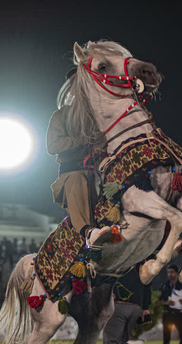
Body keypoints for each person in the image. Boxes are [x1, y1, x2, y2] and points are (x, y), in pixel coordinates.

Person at [46, 70, 112, 249]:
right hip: (72, 175)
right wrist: (83, 141)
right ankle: (88, 232)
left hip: (98, 174)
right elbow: (53, 146)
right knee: (78, 180)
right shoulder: (60, 116)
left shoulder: (99, 117)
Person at [102, 266, 150, 344]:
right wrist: (145, 307)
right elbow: (147, 282)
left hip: (117, 304)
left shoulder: (121, 257)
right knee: (122, 343)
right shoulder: (141, 262)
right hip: (135, 306)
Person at [160, 265, 182, 344]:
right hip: (167, 313)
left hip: (178, 313)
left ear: (176, 273)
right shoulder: (164, 286)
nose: (170, 274)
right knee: (166, 336)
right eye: (168, 272)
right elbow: (158, 300)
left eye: (172, 272)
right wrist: (166, 302)